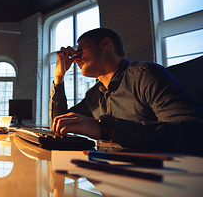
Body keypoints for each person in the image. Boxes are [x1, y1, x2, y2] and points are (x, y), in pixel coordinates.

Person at [50, 27, 203, 156]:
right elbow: (59, 125)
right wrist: (59, 77)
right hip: (111, 178)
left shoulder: (145, 76)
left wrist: (106, 129)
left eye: (81, 48)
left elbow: (194, 133)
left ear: (105, 44)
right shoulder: (94, 95)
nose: (76, 56)